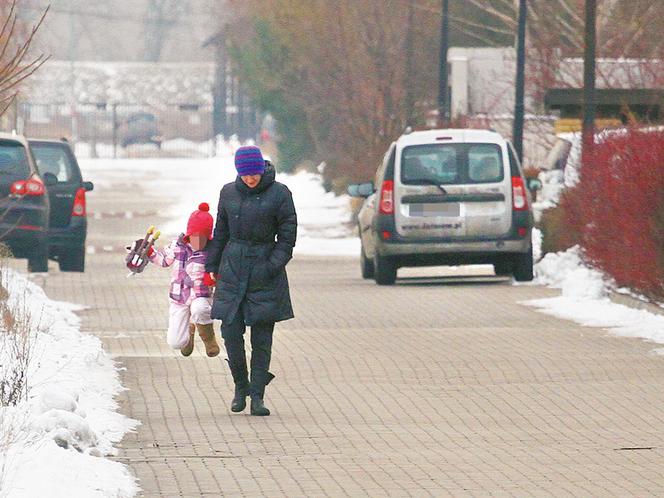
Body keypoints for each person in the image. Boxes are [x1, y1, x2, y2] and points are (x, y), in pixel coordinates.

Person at [206, 145, 297, 416]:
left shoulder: (280, 193)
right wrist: (212, 264)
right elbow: (220, 230)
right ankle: (240, 386)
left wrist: (273, 264)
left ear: (262, 169)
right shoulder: (228, 192)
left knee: (262, 336)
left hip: (264, 270)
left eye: (254, 173)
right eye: (245, 175)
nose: (250, 179)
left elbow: (288, 234)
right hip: (232, 268)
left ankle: (257, 395)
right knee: (231, 332)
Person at [148, 203, 220, 357]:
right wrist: (150, 253)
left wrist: (215, 277)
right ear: (189, 234)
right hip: (179, 296)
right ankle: (189, 331)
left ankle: (209, 339)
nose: (199, 241)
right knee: (175, 342)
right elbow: (164, 260)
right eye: (195, 237)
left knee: (200, 309)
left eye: (203, 238)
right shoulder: (178, 246)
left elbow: (218, 270)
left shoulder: (212, 251)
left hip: (200, 294)